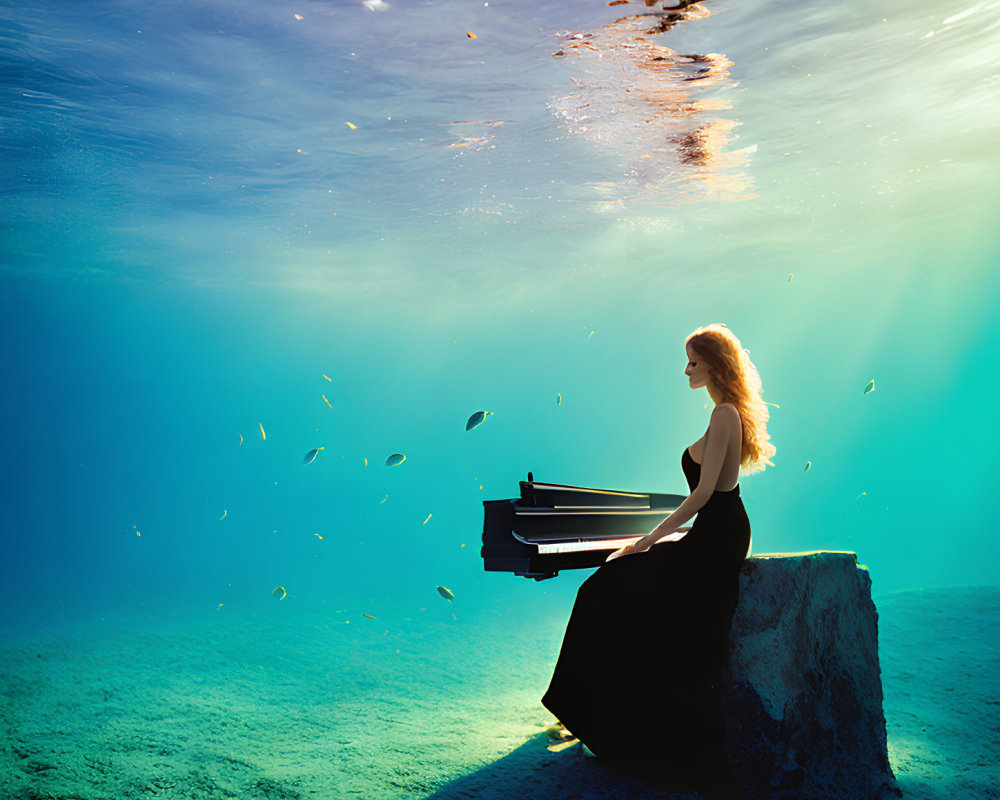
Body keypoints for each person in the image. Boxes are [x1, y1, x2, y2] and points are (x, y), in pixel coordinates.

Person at [541, 323, 775, 790]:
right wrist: (673, 536)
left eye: (693, 361)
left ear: (714, 366)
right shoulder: (723, 413)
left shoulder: (724, 414)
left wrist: (649, 539)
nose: (686, 370)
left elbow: (708, 492)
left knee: (603, 588)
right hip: (715, 531)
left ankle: (591, 713)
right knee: (610, 585)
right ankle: (591, 710)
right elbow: (714, 501)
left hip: (718, 534)